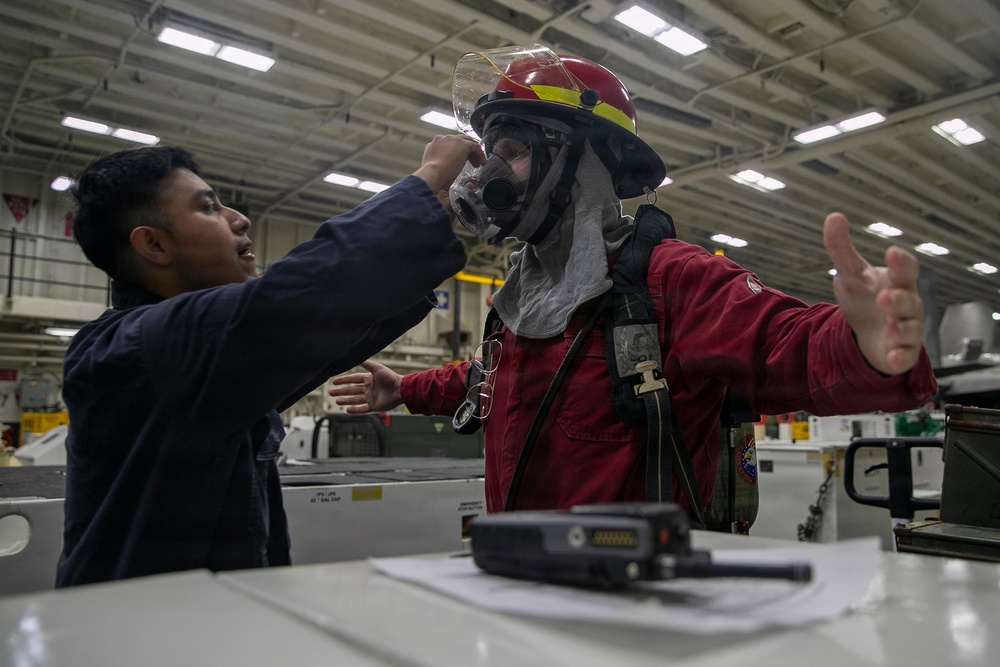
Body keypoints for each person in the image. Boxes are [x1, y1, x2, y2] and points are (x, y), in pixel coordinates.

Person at [329, 45, 937, 520]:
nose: (488, 172)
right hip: (517, 585)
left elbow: (788, 345)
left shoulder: (669, 280)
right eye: (489, 151)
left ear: (583, 160)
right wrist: (405, 389)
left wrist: (863, 343)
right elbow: (492, 378)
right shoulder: (521, 296)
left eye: (510, 148)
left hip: (635, 608)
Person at [56, 135, 484, 587]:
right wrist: (425, 180)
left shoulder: (200, 361)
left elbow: (322, 333)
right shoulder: (138, 348)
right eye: (209, 208)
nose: (239, 219)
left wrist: (428, 220)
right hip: (137, 623)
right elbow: (297, 296)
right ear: (154, 245)